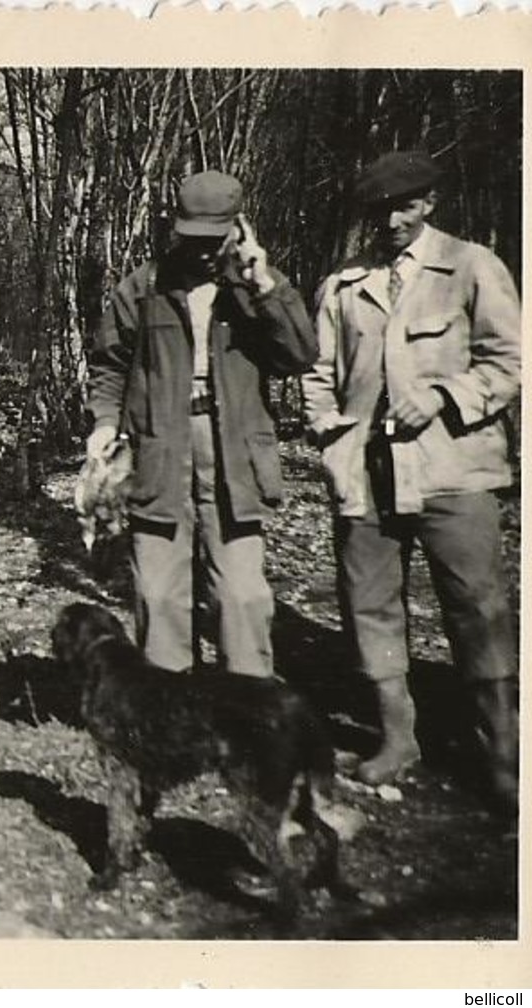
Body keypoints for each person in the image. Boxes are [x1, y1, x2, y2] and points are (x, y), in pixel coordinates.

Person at [303, 150, 520, 815]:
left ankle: (505, 759)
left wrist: (445, 396)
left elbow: (511, 358)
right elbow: (317, 370)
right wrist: (323, 424)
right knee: (368, 603)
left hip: (452, 471)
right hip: (365, 474)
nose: (390, 221)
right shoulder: (343, 283)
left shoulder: (470, 266)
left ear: (428, 203)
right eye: (378, 211)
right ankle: (397, 739)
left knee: (475, 607)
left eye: (403, 206)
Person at [87, 170, 316, 679]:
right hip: (159, 453)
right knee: (158, 595)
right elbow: (109, 364)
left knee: (241, 598)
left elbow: (300, 355)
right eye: (194, 239)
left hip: (233, 456)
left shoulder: (255, 289)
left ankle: (248, 717)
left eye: (216, 239)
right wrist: (104, 424)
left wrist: (263, 282)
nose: (205, 252)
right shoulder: (144, 286)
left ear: (239, 229)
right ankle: (171, 721)